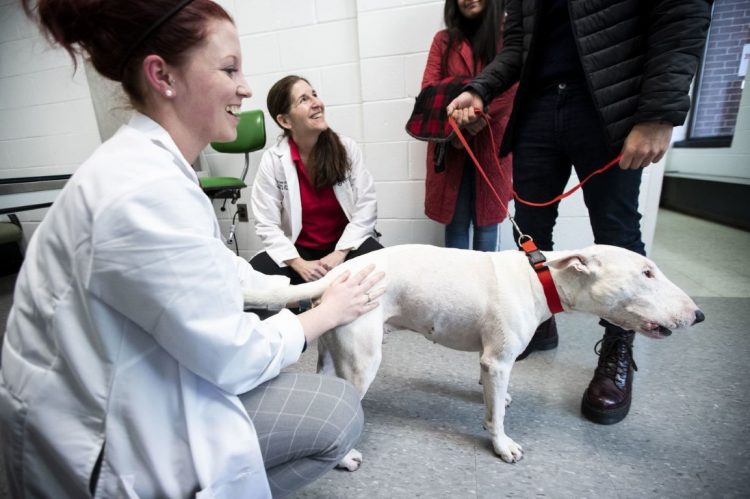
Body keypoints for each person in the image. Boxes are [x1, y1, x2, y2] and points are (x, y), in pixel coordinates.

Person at [0, 1, 384, 498]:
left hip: (119, 384)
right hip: (101, 439)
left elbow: (221, 268)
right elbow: (235, 356)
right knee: (336, 414)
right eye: (229, 69)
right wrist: (324, 312)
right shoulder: (143, 190)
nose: (245, 87)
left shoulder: (153, 165)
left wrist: (314, 285)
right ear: (163, 76)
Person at [447, 0, 712, 424]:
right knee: (530, 230)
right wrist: (481, 87)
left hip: (609, 106)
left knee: (617, 231)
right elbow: (517, 44)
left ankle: (617, 346)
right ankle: (540, 323)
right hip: (537, 109)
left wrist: (660, 110)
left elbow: (679, 12)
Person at [250, 75, 382, 287]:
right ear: (285, 121)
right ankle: (306, 309)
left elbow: (366, 207)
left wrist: (339, 254)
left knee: (382, 271)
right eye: (303, 99)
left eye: (314, 94)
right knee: (257, 275)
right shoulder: (273, 161)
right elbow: (266, 222)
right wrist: (298, 264)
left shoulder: (346, 149)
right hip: (300, 252)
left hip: (346, 246)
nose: (316, 103)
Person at [420, 0, 516, 252]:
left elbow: (513, 88)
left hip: (493, 142)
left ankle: (485, 290)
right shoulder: (443, 40)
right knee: (456, 222)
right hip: (451, 145)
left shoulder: (508, 35)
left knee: (488, 224)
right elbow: (428, 91)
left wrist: (476, 116)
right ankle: (457, 289)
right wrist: (458, 126)